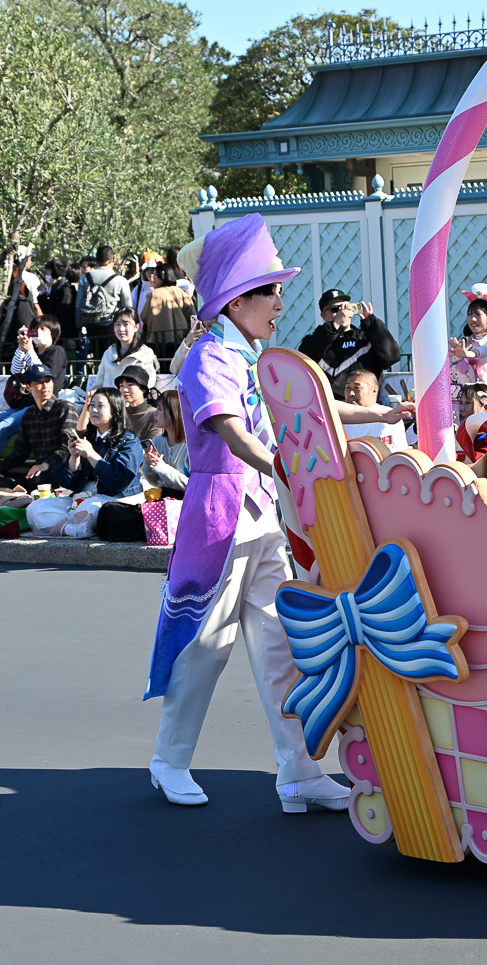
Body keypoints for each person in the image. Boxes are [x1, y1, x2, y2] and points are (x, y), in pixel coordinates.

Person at [147, 212, 404, 814]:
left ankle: (298, 772)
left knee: (281, 645)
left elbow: (314, 407)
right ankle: (169, 760)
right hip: (220, 514)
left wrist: (382, 416)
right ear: (237, 301)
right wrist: (280, 466)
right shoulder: (211, 357)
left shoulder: (258, 355)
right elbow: (233, 434)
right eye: (270, 290)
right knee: (207, 645)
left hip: (263, 515)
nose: (281, 300)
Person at [298, 289, 402, 389]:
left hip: (363, 403)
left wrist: (371, 323)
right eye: (335, 309)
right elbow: (304, 359)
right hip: (328, 403)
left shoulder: (365, 338)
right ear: (323, 315)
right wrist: (335, 325)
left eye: (346, 307)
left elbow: (391, 357)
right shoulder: (316, 339)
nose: (341, 313)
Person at [57, 387, 146, 499]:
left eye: (100, 406)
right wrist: (74, 457)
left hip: (117, 499)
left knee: (82, 514)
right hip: (85, 495)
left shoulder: (130, 441)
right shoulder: (88, 438)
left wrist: (91, 454)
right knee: (37, 508)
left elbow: (119, 481)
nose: (94, 410)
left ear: (115, 410)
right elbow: (70, 483)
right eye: (92, 405)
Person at [1, 366, 74, 487]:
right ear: (28, 387)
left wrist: (46, 464)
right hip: (39, 473)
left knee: (33, 481)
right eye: (39, 383)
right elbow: (19, 453)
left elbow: (68, 446)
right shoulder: (29, 415)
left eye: (47, 381)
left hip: (63, 471)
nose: (45, 386)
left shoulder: (65, 408)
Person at [448, 287, 487, 394]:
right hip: (465, 397)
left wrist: (470, 353)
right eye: (470, 314)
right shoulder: (467, 341)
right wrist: (455, 353)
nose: (473, 319)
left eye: (478, 315)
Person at [87, 309, 158, 397]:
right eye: (117, 324)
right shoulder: (109, 353)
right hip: (108, 404)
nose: (121, 329)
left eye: (126, 324)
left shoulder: (145, 354)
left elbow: (148, 386)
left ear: (136, 327)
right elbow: (98, 385)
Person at [77, 246, 132, 358]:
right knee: (113, 357)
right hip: (112, 326)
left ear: (96, 261)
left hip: (90, 325)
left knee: (97, 358)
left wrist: (78, 327)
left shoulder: (84, 279)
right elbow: (127, 307)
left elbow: (78, 305)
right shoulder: (120, 280)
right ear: (114, 259)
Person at [5, 317, 68, 412]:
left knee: (2, 426)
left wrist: (30, 350)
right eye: (34, 329)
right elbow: (15, 371)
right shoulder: (33, 354)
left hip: (42, 406)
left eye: (43, 328)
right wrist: (21, 347)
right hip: (24, 403)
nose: (37, 332)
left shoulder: (56, 351)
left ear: (53, 333)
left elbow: (43, 374)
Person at [141, 263, 196, 359]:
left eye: (155, 275)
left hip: (157, 340)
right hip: (181, 338)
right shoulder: (181, 292)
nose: (152, 278)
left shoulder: (154, 294)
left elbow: (144, 316)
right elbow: (191, 314)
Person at [341, 368, 408, 447]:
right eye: (348, 388)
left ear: (374, 390)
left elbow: (386, 454)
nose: (351, 393)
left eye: (357, 388)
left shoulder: (389, 416)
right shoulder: (339, 418)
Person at [147, 386, 190, 496]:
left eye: (160, 409)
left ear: (174, 412)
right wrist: (148, 464)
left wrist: (161, 467)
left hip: (186, 502)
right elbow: (154, 482)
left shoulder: (191, 446)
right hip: (164, 501)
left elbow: (192, 486)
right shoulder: (158, 441)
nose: (155, 413)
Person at [114, 364, 158, 440]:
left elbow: (153, 446)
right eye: (121, 385)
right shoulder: (120, 413)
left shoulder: (155, 414)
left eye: (130, 385)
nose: (124, 390)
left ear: (143, 389)